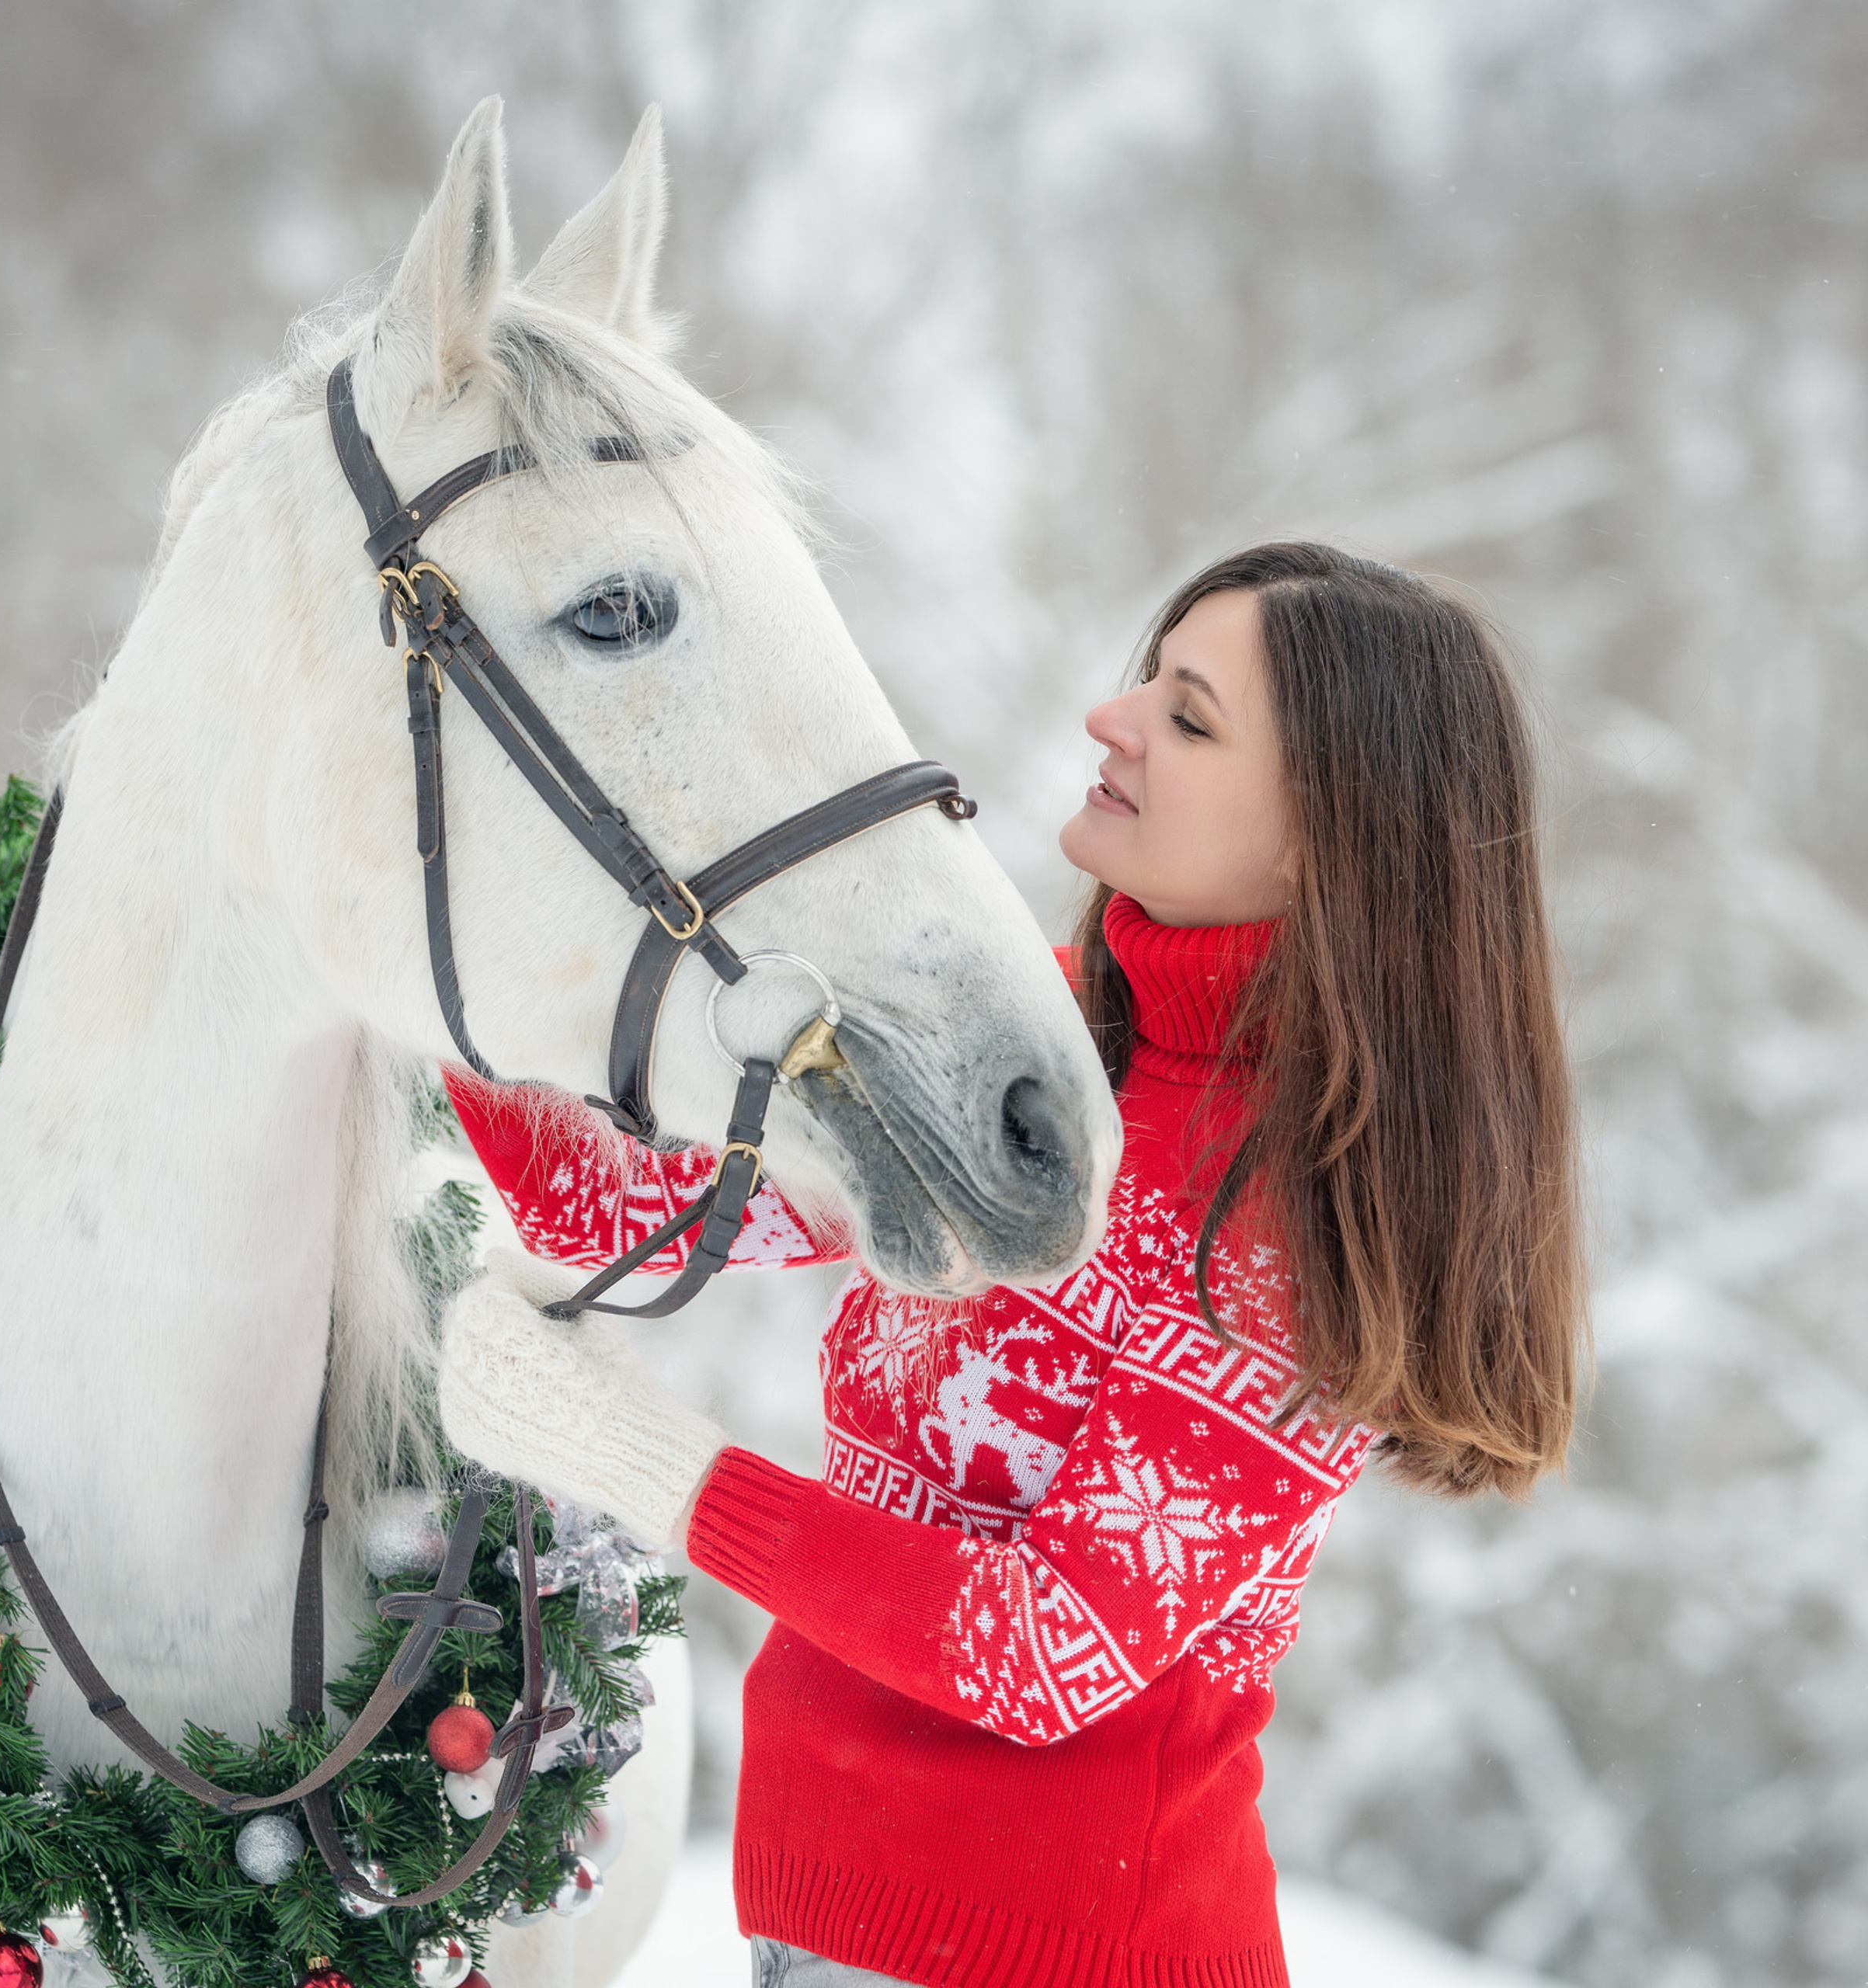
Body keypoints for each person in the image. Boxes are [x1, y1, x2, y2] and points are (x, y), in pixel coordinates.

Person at [438, 542, 1589, 1988]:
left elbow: (1036, 1647)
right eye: (1144, 683)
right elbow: (646, 1211)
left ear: (1324, 836)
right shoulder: (1045, 1057)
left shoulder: (1291, 1225)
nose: (1114, 722)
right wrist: (431, 972)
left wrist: (638, 1457)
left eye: (1189, 716)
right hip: (818, 1920)